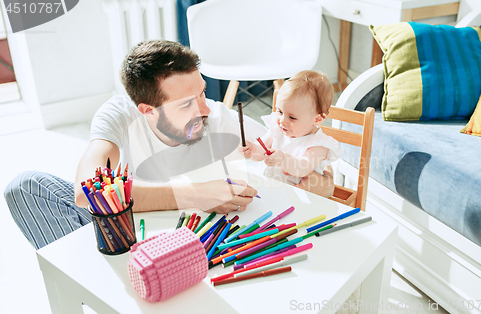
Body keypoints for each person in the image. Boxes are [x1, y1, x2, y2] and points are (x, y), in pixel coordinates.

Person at [4, 40, 334, 250]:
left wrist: (316, 179)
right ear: (147, 111)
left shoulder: (219, 119)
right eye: (187, 103)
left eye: (203, 92)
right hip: (134, 228)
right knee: (24, 187)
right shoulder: (119, 116)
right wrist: (197, 193)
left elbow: (296, 174)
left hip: (186, 241)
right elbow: (86, 191)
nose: (204, 108)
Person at [239, 70, 341, 186]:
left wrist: (282, 158)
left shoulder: (318, 144)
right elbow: (261, 152)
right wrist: (252, 150)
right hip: (273, 187)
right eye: (280, 111)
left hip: (304, 196)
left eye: (292, 117)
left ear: (317, 119)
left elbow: (303, 168)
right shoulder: (278, 129)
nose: (282, 121)